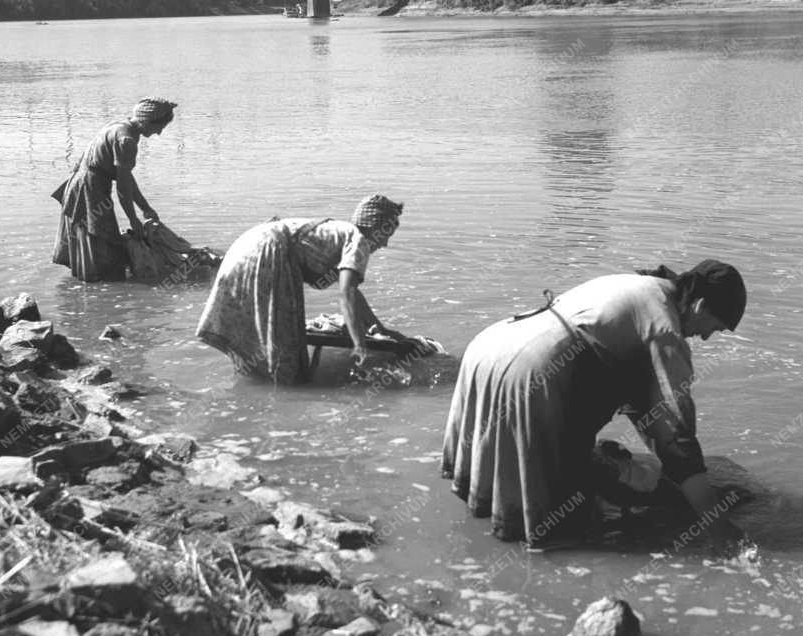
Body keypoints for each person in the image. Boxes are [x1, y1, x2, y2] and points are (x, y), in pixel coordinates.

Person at [441, 260, 748, 551]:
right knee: (562, 532)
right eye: (715, 327)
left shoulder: (640, 286)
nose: (706, 337)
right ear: (700, 305)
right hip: (532, 370)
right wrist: (714, 522)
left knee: (522, 486)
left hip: (489, 351)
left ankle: (479, 545)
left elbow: (642, 404)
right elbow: (675, 434)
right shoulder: (663, 329)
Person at [196, 194, 405, 384]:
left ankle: (250, 390)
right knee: (285, 356)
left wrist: (380, 329)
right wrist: (360, 346)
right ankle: (282, 395)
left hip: (245, 247)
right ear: (375, 226)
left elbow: (352, 293)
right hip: (269, 253)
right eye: (386, 233)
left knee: (254, 339)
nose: (385, 243)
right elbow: (346, 294)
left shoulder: (337, 233)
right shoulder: (358, 240)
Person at [51, 97, 176, 282]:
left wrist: (145, 208)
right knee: (102, 245)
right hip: (90, 190)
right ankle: (98, 286)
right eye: (159, 127)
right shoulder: (127, 141)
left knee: (95, 244)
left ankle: (92, 293)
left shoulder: (119, 126)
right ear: (147, 121)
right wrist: (134, 221)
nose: (159, 133)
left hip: (81, 183)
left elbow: (125, 177)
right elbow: (123, 190)